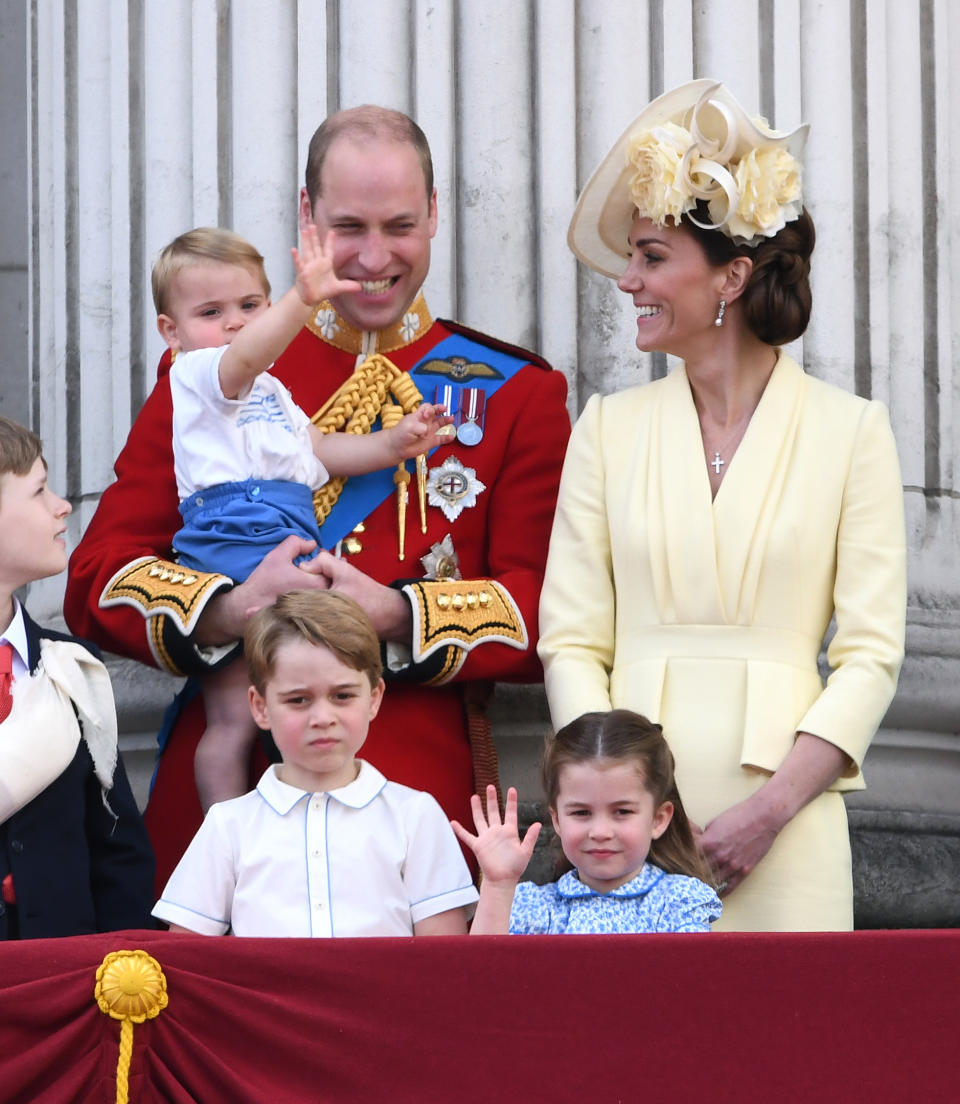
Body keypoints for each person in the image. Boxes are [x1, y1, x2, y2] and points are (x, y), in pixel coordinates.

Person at [64, 104, 571, 891]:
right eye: (348, 227)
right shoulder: (221, 367)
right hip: (226, 808)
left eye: (400, 225)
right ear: (306, 216)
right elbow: (97, 577)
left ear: (435, 214)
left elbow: (550, 617)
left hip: (410, 810)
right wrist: (226, 609)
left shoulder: (515, 393)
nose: (374, 256)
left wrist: (399, 613)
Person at [537, 80, 906, 931]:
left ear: (731, 276)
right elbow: (572, 637)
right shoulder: (607, 428)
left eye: (651, 256)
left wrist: (772, 812)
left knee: (789, 1057)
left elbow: (870, 655)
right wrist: (609, 806)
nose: (628, 280)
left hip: (789, 822)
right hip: (625, 837)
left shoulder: (853, 432)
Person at [153, 223, 453, 810]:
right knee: (232, 722)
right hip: (231, 539)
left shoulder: (272, 389)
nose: (235, 322)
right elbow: (243, 355)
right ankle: (227, 834)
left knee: (306, 698)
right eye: (212, 311)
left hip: (288, 530)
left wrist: (394, 445)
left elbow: (317, 450)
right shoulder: (196, 372)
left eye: (250, 305)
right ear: (173, 331)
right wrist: (300, 298)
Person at [153, 590, 478, 936]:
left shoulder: (416, 816)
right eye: (298, 699)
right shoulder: (228, 825)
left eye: (342, 696)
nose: (323, 717)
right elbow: (189, 955)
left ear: (374, 698)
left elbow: (443, 961)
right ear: (261, 707)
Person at [0, 416, 155, 939]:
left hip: (66, 987)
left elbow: (117, 851)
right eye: (40, 490)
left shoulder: (75, 665)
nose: (63, 505)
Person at [454, 710, 721, 934]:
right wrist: (498, 885)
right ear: (556, 819)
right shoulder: (536, 908)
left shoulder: (678, 901)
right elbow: (480, 979)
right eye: (581, 813)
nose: (600, 832)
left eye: (622, 812)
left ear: (658, 819)